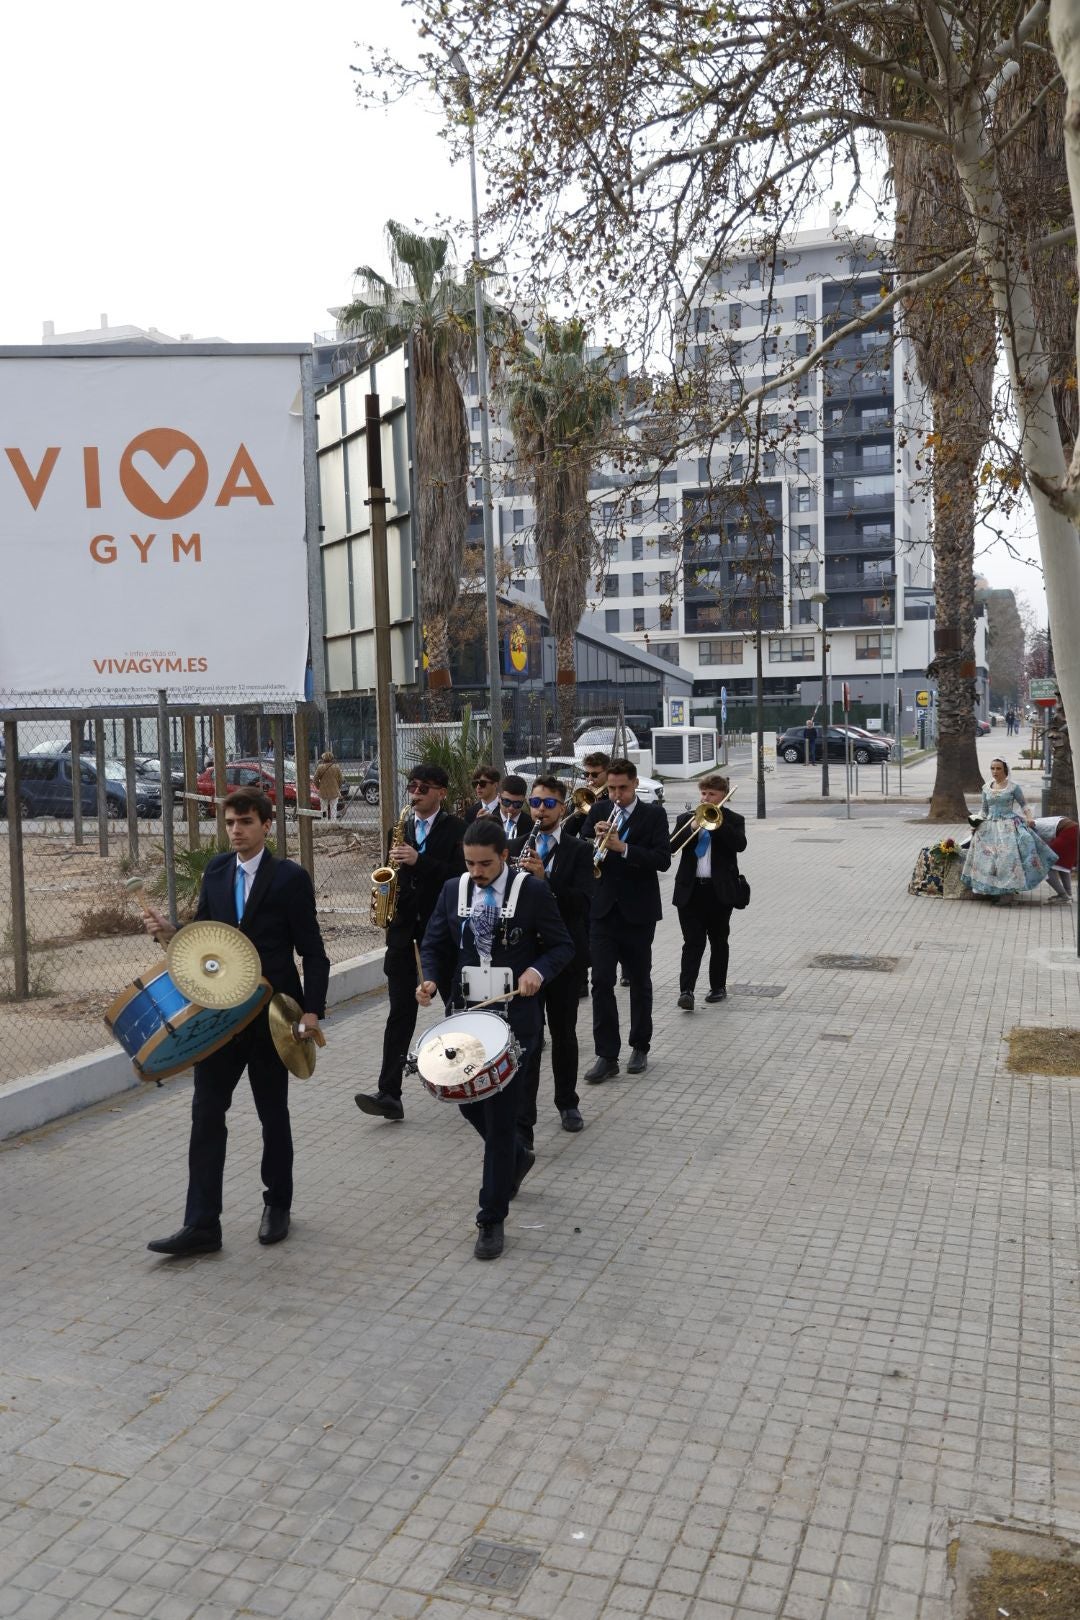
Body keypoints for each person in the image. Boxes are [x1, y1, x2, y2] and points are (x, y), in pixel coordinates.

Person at [142, 790, 330, 1256]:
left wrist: (311, 1011)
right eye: (229, 822)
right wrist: (172, 934)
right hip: (220, 1019)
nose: (235, 830)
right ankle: (202, 1224)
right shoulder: (218, 871)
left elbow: (313, 950)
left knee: (272, 1114)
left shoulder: (289, 878)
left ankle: (277, 1205)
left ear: (267, 825)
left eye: (245, 821)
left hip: (272, 1017)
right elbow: (207, 941)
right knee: (206, 1116)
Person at [418, 819, 573, 1260]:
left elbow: (562, 946)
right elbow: (434, 944)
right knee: (466, 1101)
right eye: (470, 863)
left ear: (503, 856)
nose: (477, 871)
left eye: (485, 863)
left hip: (514, 1024)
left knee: (501, 1116)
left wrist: (536, 971)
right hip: (465, 1020)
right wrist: (429, 980)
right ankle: (516, 1155)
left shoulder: (533, 892)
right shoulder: (453, 890)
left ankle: (491, 1218)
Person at [355, 764, 465, 1121]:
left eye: (423, 787)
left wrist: (420, 860)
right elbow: (393, 874)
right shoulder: (397, 830)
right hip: (403, 934)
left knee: (457, 1010)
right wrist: (384, 895)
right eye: (412, 786)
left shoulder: (457, 830)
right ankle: (389, 1093)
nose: (415, 793)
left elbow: (462, 877)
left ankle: (467, 1082)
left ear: (441, 793)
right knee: (400, 1014)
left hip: (442, 935)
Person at [511, 776, 594, 1142]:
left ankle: (567, 1102)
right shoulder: (516, 845)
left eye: (548, 803)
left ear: (563, 808)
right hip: (527, 959)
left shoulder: (579, 850)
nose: (540, 810)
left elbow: (582, 903)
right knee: (527, 1038)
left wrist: (545, 880)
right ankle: (524, 1111)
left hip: (563, 958)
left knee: (563, 1033)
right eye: (535, 802)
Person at [580, 758, 671, 1081]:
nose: (616, 795)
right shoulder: (599, 811)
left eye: (622, 788)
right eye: (612, 788)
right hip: (603, 910)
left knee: (639, 980)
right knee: (601, 981)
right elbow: (581, 851)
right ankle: (607, 1055)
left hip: (638, 911)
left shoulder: (654, 815)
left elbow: (662, 860)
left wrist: (624, 848)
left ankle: (640, 1045)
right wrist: (595, 840)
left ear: (634, 785)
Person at [670, 775, 747, 1010]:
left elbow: (740, 845)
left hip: (719, 891)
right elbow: (671, 846)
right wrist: (693, 826)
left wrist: (717, 824)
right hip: (690, 890)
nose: (706, 798)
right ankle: (687, 991)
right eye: (703, 793)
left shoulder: (733, 819)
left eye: (711, 794)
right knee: (692, 942)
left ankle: (718, 987)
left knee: (719, 940)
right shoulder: (687, 818)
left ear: (723, 796)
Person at [960, 757, 1056, 898]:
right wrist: (975, 823)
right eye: (993, 768)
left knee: (1009, 858)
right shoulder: (986, 788)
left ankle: (1007, 893)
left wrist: (1029, 817)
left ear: (1005, 769)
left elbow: (1024, 805)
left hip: (1008, 825)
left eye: (998, 768)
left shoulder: (1013, 787)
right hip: (989, 826)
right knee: (988, 859)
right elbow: (984, 810)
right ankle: (990, 890)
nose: (995, 771)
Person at [1028, 814, 1078, 900]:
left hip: (1069, 832)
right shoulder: (1039, 823)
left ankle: (1063, 895)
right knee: (1061, 864)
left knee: (1044, 865)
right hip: (1075, 830)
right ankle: (1068, 893)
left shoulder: (1032, 827)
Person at [496, 774, 533, 842]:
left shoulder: (531, 824)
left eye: (517, 804)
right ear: (498, 798)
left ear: (524, 801)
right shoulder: (488, 821)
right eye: (506, 802)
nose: (511, 808)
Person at [313, 750, 343, 821]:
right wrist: (338, 787)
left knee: (323, 809)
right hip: (334, 791)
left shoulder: (320, 767)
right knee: (333, 808)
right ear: (332, 758)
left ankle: (324, 821)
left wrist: (319, 786)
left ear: (323, 759)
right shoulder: (336, 767)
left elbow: (315, 779)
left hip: (323, 791)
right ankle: (333, 822)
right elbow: (341, 779)